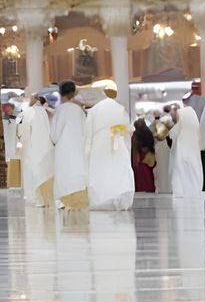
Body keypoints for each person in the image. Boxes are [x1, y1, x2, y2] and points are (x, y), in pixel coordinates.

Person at [83, 85, 134, 211]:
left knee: (101, 170)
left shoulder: (95, 110)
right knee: (118, 170)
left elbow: (88, 133)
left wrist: (87, 151)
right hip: (118, 141)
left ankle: (101, 199)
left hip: (99, 144)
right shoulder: (120, 108)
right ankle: (119, 199)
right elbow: (128, 129)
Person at [51, 80, 89, 210]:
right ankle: (78, 200)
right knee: (77, 173)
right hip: (78, 147)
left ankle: (62, 201)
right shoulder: (79, 110)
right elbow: (86, 131)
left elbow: (54, 135)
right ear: (73, 93)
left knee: (63, 174)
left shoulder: (59, 110)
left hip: (62, 149)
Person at [16, 94, 55, 208]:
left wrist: (19, 140)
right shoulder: (41, 112)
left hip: (30, 145)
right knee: (41, 169)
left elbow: (19, 127)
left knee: (32, 170)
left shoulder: (28, 111)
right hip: (40, 145)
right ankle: (43, 198)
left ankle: (36, 197)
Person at [132, 115, 157, 193]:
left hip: (139, 160)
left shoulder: (135, 135)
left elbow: (134, 149)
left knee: (141, 179)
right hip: (148, 158)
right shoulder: (148, 133)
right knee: (149, 177)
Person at [153, 108, 174, 194]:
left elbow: (159, 136)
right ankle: (168, 188)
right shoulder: (170, 121)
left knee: (161, 170)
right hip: (167, 147)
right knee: (168, 170)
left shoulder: (160, 122)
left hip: (161, 147)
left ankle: (162, 188)